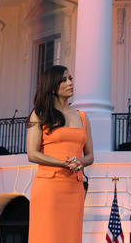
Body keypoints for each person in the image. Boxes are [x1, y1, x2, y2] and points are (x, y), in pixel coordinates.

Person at [27, 65, 94, 243]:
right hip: (49, 187)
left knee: (71, 237)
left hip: (74, 187)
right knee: (47, 236)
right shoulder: (40, 114)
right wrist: (64, 163)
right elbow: (32, 154)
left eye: (70, 78)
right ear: (53, 87)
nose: (70, 83)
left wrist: (79, 162)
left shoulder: (82, 117)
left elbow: (90, 156)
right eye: (64, 80)